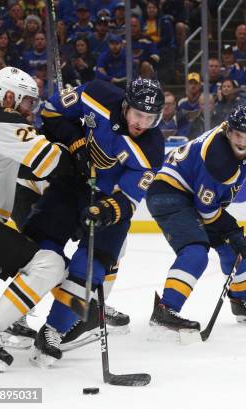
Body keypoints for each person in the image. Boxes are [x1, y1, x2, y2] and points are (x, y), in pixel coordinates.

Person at [23, 78, 165, 367]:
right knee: (36, 246)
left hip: (107, 206)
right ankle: (12, 316)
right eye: (138, 114)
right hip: (72, 184)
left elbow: (128, 199)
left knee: (91, 268)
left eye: (150, 118)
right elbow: (50, 112)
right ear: (126, 106)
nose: (142, 123)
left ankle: (54, 330)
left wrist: (104, 210)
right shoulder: (95, 94)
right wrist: (75, 141)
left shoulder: (152, 148)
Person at [145, 104, 246, 336]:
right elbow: (207, 211)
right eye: (238, 136)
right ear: (228, 132)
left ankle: (241, 302)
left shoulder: (238, 134)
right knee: (196, 251)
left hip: (192, 191)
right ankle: (165, 310)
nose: (243, 143)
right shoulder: (219, 163)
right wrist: (233, 231)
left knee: (233, 248)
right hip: (168, 193)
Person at [0, 67, 75, 372]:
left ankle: (8, 320)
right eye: (28, 103)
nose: (31, 111)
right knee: (49, 264)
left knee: (37, 262)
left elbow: (21, 167)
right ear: (10, 96)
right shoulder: (5, 120)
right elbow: (51, 161)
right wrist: (77, 144)